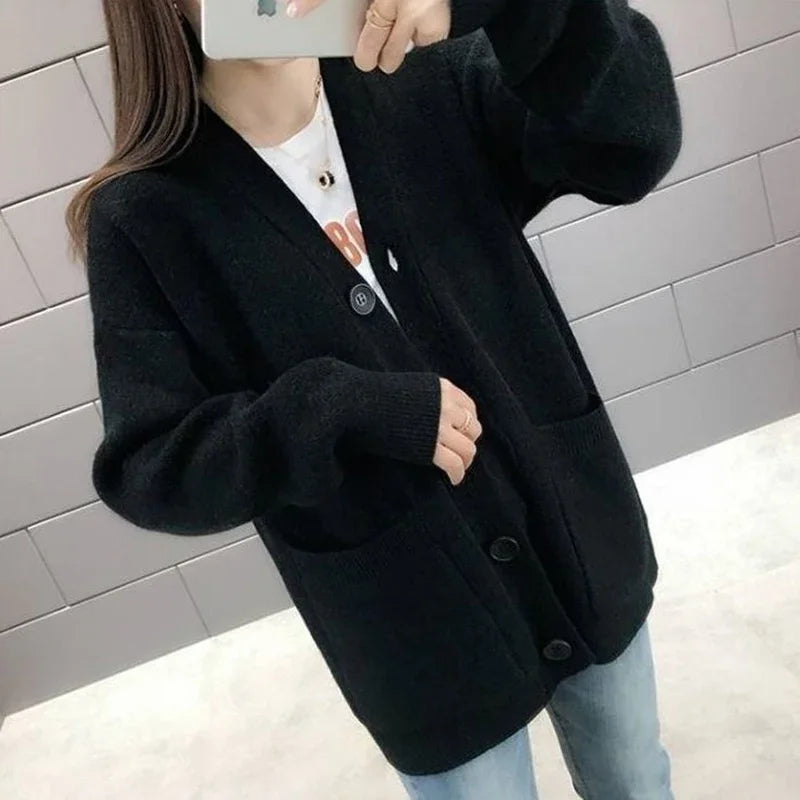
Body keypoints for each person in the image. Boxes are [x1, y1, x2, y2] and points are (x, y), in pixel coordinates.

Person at [66, 0, 682, 797]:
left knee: (638, 779)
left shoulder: (430, 83)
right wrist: (334, 411)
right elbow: (151, 467)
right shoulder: (145, 217)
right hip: (416, 637)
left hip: (579, 541)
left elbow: (632, 145)